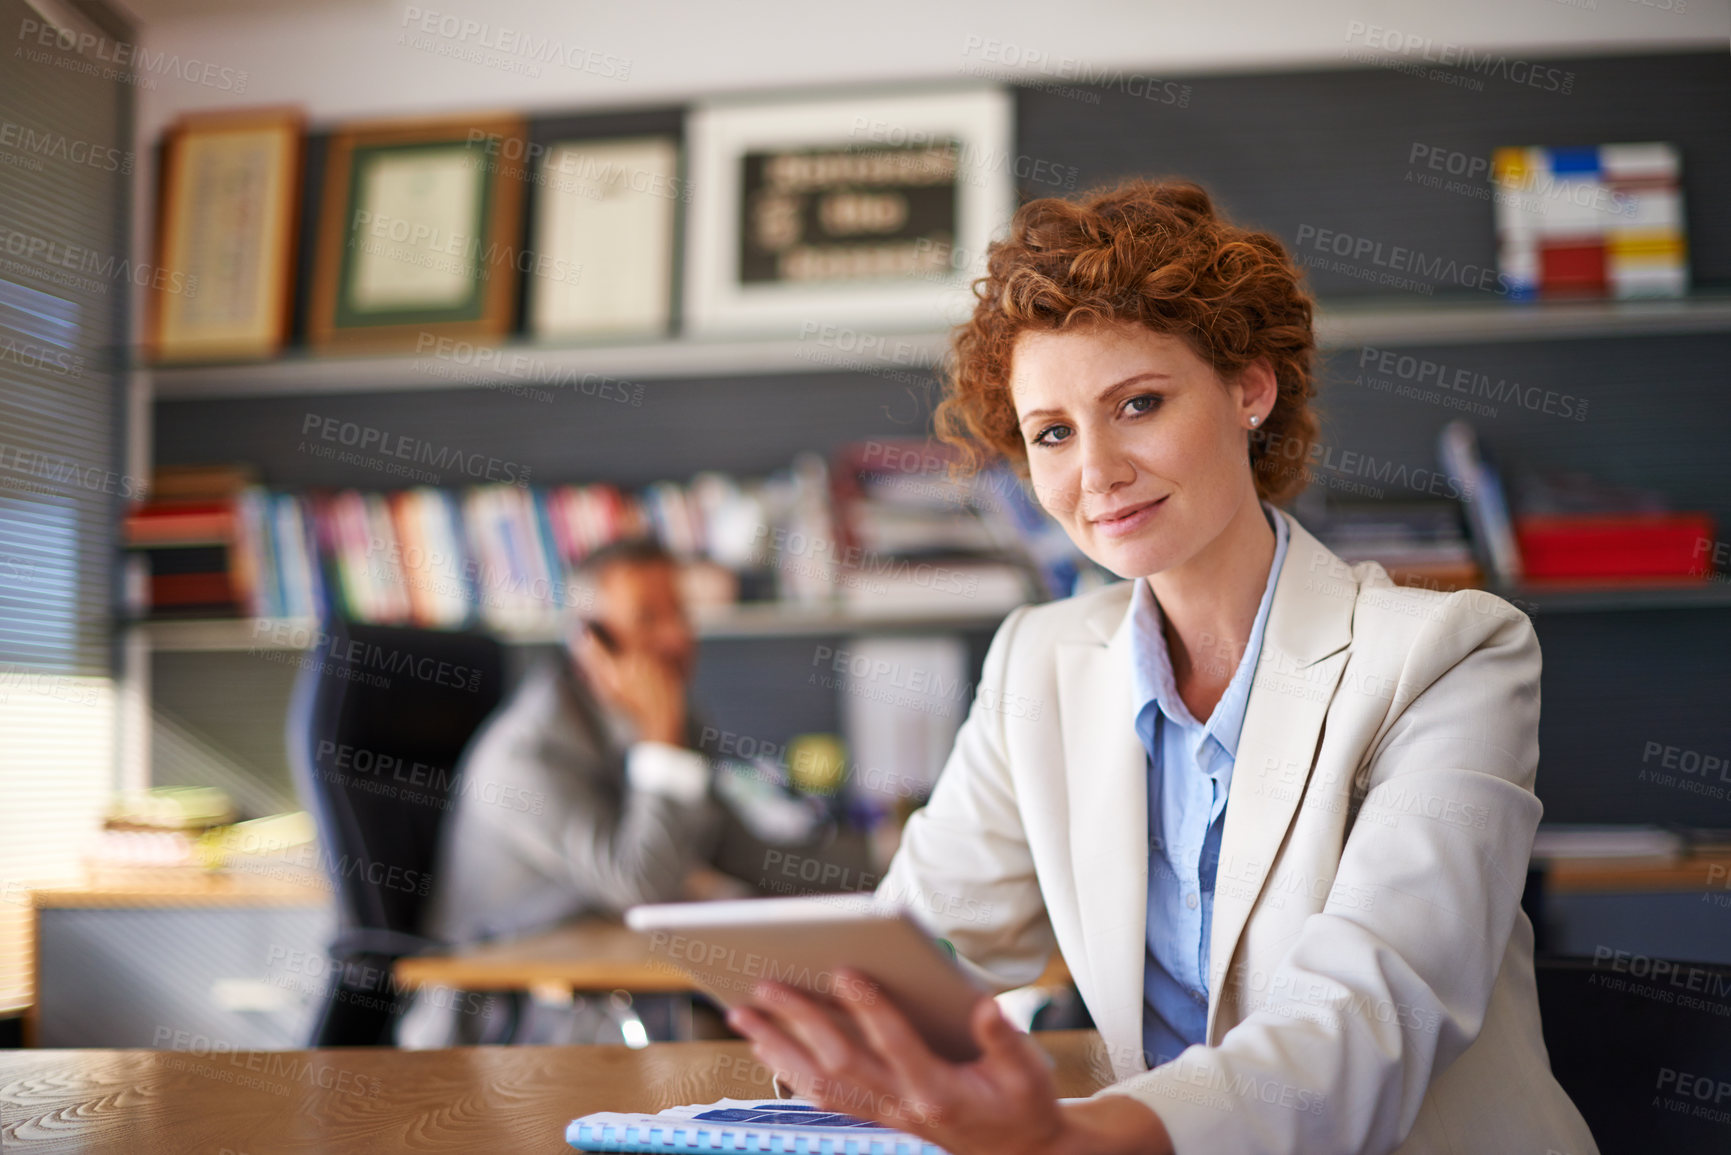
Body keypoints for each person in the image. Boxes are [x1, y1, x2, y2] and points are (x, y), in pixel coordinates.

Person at [725, 180, 1600, 1154]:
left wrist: (1082, 1138)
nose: (1095, 471)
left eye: (1137, 404)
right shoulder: (1040, 666)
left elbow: (1370, 1022)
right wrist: (839, 1034)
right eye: (1052, 432)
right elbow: (924, 947)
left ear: (1249, 390)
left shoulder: (1448, 655)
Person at [399, 537, 866, 1046]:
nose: (677, 636)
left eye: (681, 613)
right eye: (649, 617)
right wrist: (662, 742)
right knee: (745, 1037)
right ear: (591, 640)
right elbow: (643, 884)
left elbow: (748, 855)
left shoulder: (669, 720)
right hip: (508, 1015)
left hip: (612, 988)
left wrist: (902, 861)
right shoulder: (529, 755)